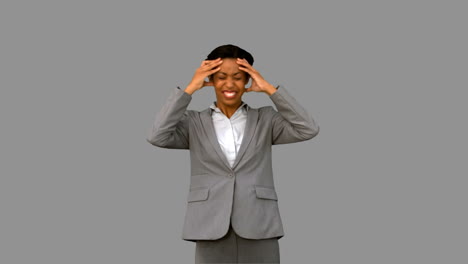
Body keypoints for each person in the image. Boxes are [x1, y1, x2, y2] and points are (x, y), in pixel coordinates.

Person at [146, 44, 319, 263]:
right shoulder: (193, 123)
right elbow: (156, 136)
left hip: (259, 223)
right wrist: (189, 89)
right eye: (221, 77)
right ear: (210, 80)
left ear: (247, 79)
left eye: (238, 77)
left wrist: (270, 90)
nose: (229, 84)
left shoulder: (266, 119)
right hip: (209, 225)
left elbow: (308, 128)